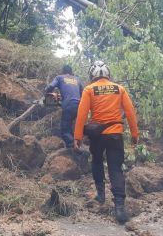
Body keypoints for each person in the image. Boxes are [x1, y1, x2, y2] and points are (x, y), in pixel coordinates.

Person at [73, 61, 139, 224]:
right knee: (116, 169)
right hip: (115, 134)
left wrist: (77, 137)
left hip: (98, 135)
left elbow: (82, 115)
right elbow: (130, 113)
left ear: (92, 75)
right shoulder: (119, 89)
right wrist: (134, 134)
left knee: (96, 161)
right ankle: (119, 208)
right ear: (108, 74)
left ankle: (101, 195)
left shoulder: (89, 89)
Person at [45, 65, 84, 148]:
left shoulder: (59, 77)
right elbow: (82, 93)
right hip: (80, 106)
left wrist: (46, 92)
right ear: (71, 72)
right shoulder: (77, 79)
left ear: (62, 72)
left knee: (65, 131)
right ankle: (78, 143)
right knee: (72, 126)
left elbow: (51, 87)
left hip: (68, 105)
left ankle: (72, 148)